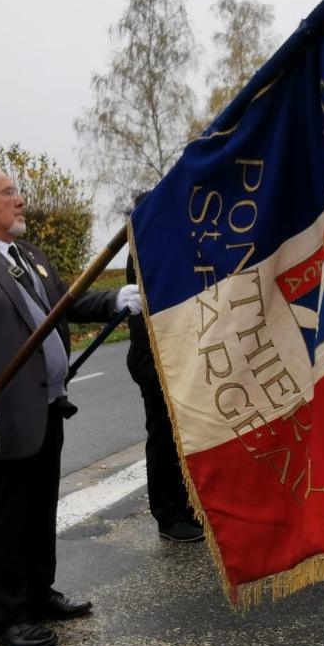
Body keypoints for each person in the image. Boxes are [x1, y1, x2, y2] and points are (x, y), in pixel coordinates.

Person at [0, 167, 142, 646]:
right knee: (1, 518)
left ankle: (38, 592)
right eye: (10, 193)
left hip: (46, 406)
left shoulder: (28, 255)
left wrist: (116, 297)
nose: (21, 200)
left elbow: (63, 304)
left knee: (37, 508)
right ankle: (6, 617)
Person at [126, 193, 204, 543]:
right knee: (164, 437)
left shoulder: (163, 243)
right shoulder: (145, 247)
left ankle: (187, 506)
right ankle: (168, 515)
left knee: (181, 437)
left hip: (174, 352)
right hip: (156, 356)